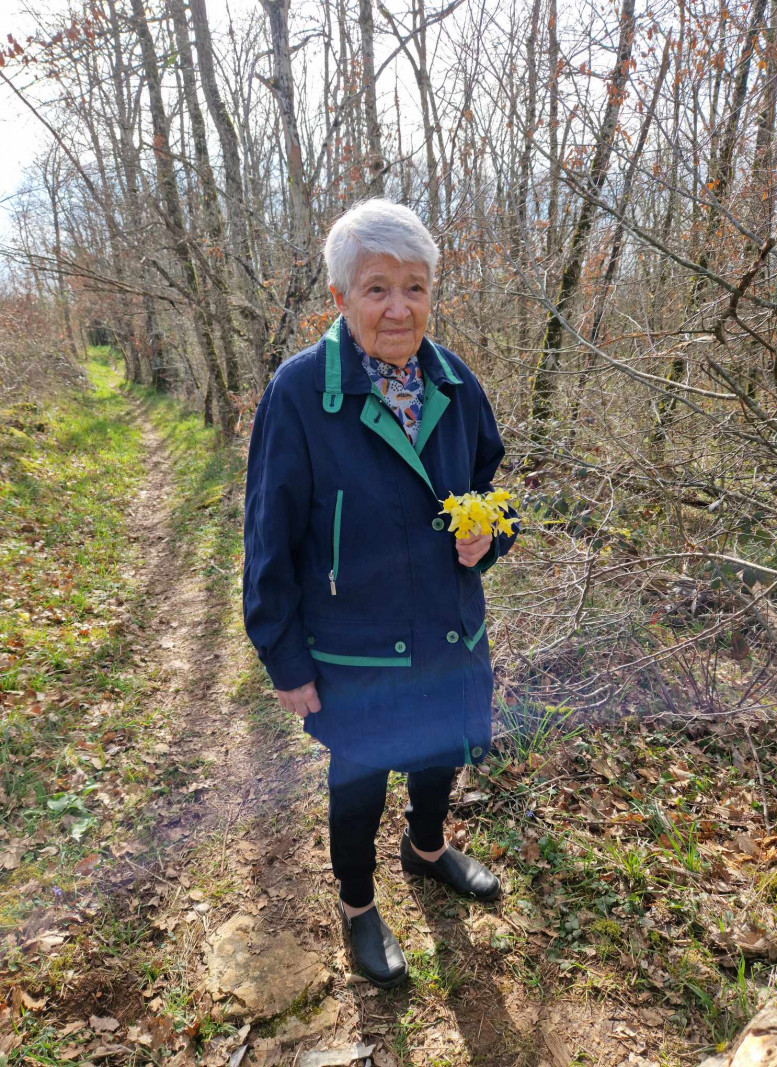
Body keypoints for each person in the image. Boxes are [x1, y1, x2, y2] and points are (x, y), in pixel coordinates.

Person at [242, 199, 519, 988]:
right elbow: (267, 539)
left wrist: (490, 533)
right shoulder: (298, 395)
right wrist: (284, 658)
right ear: (339, 298)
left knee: (439, 758)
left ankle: (427, 850)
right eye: (376, 288)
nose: (399, 307)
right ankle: (359, 905)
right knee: (359, 783)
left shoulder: (455, 380)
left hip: (448, 633)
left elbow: (495, 489)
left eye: (415, 286)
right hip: (352, 649)